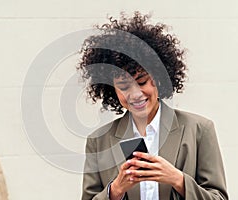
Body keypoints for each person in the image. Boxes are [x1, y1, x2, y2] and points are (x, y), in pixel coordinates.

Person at [77, 11, 228, 200]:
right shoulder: (99, 141)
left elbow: (219, 197)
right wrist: (115, 190)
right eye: (124, 87)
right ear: (111, 89)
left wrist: (178, 180)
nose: (135, 95)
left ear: (158, 77)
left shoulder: (199, 130)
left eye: (142, 82)